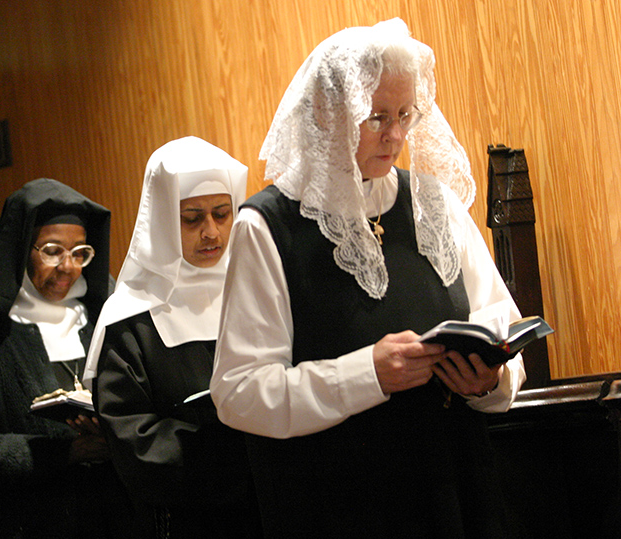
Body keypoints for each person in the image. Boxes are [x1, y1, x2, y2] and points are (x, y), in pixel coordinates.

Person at [210, 19, 527, 539]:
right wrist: (367, 376)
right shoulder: (268, 226)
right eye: (377, 116)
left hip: (452, 491)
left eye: (405, 114)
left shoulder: (433, 203)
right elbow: (239, 393)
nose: (397, 135)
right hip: (337, 505)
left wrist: (490, 381)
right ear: (327, 112)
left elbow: (501, 324)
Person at [82, 136, 262, 538]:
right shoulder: (129, 320)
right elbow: (134, 441)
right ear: (163, 220)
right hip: (188, 519)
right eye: (192, 218)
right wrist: (231, 448)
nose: (211, 231)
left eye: (222, 213)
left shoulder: (259, 294)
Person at [0, 178, 132, 539]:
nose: (68, 267)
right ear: (22, 249)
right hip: (26, 522)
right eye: (53, 251)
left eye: (80, 253)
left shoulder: (106, 321)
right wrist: (64, 452)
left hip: (114, 517)